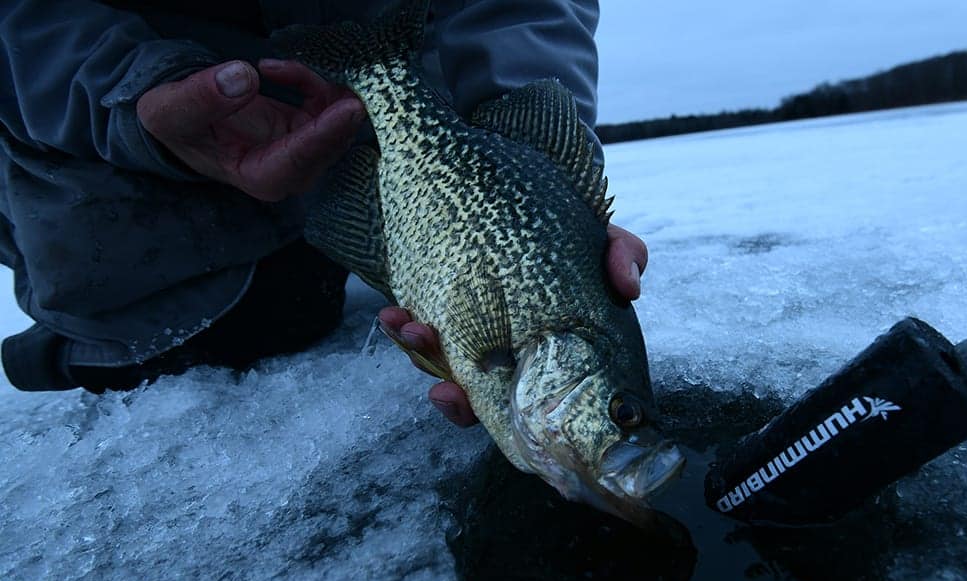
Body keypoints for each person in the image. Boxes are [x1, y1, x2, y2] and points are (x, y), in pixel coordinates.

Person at [0, 1, 648, 428]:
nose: (621, 428)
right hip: (107, 89)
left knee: (322, 281)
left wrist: (547, 192)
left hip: (387, 82)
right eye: (619, 415)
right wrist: (131, 93)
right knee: (213, 323)